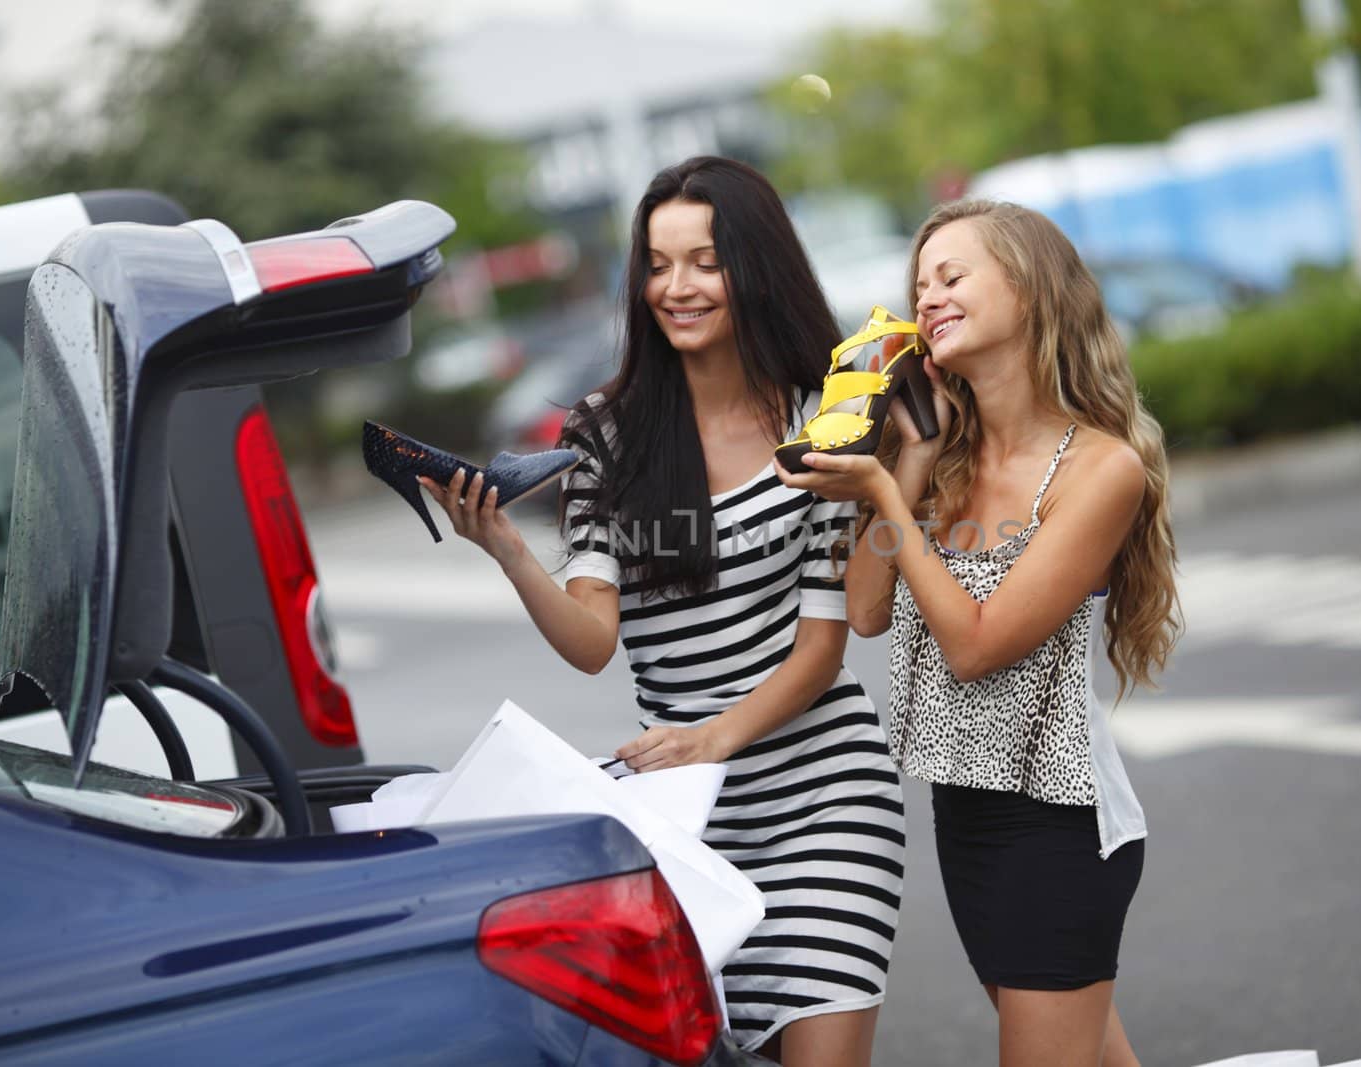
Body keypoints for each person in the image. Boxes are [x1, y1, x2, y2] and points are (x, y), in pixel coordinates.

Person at [419, 156, 904, 1067]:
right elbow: (592, 641)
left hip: (823, 797)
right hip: (687, 816)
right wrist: (507, 548)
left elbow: (819, 647)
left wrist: (717, 735)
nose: (675, 287)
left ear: (754, 268)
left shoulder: (824, 418)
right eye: (657, 263)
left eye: (704, 261)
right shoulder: (605, 431)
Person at [776, 198, 1181, 1067]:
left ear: (1029, 290)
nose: (928, 299)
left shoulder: (1102, 468)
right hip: (964, 816)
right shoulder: (943, 456)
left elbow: (977, 645)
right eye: (920, 285)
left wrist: (885, 498)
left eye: (952, 276)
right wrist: (909, 465)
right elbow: (869, 610)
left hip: (1059, 824)